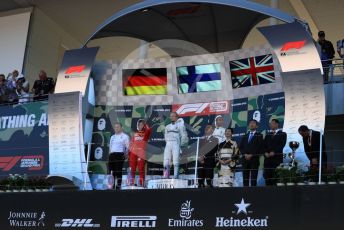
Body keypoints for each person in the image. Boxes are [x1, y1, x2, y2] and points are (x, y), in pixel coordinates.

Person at [239, 119, 264, 186]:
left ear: (257, 126)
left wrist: (252, 155)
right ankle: (245, 194)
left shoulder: (260, 135)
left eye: (253, 123)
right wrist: (245, 154)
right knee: (245, 179)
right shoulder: (245, 136)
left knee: (253, 179)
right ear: (248, 125)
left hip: (254, 159)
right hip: (245, 160)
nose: (251, 124)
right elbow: (241, 147)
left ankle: (253, 194)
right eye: (250, 123)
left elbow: (260, 147)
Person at [163, 112, 188, 179]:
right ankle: (166, 175)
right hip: (168, 144)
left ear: (177, 117)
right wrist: (168, 142)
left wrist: (181, 145)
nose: (172, 117)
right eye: (171, 116)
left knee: (176, 161)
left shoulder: (181, 125)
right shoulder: (167, 126)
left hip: (176, 144)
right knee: (166, 160)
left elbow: (183, 135)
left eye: (173, 116)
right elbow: (165, 136)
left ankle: (175, 176)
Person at [128, 119, 152, 186]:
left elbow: (149, 130)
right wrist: (129, 153)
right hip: (133, 154)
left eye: (142, 124)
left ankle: (141, 184)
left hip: (141, 153)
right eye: (139, 124)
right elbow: (131, 144)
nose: (140, 126)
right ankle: (131, 183)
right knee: (132, 169)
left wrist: (145, 124)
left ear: (144, 126)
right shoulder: (134, 134)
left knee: (141, 169)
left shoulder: (145, 134)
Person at [263, 119, 287, 186]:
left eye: (272, 123)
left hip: (277, 159)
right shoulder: (268, 135)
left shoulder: (283, 134)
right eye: (270, 123)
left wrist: (274, 152)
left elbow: (282, 145)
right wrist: (265, 153)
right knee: (267, 178)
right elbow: (263, 146)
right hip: (267, 160)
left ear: (277, 124)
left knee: (276, 177)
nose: (271, 125)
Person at [109, 122, 130, 189]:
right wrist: (110, 154)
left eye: (118, 127)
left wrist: (125, 155)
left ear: (121, 128)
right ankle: (112, 186)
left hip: (119, 155)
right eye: (115, 127)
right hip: (112, 155)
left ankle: (118, 187)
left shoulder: (125, 136)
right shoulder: (112, 137)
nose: (116, 128)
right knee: (112, 172)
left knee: (118, 172)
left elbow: (128, 147)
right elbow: (111, 147)